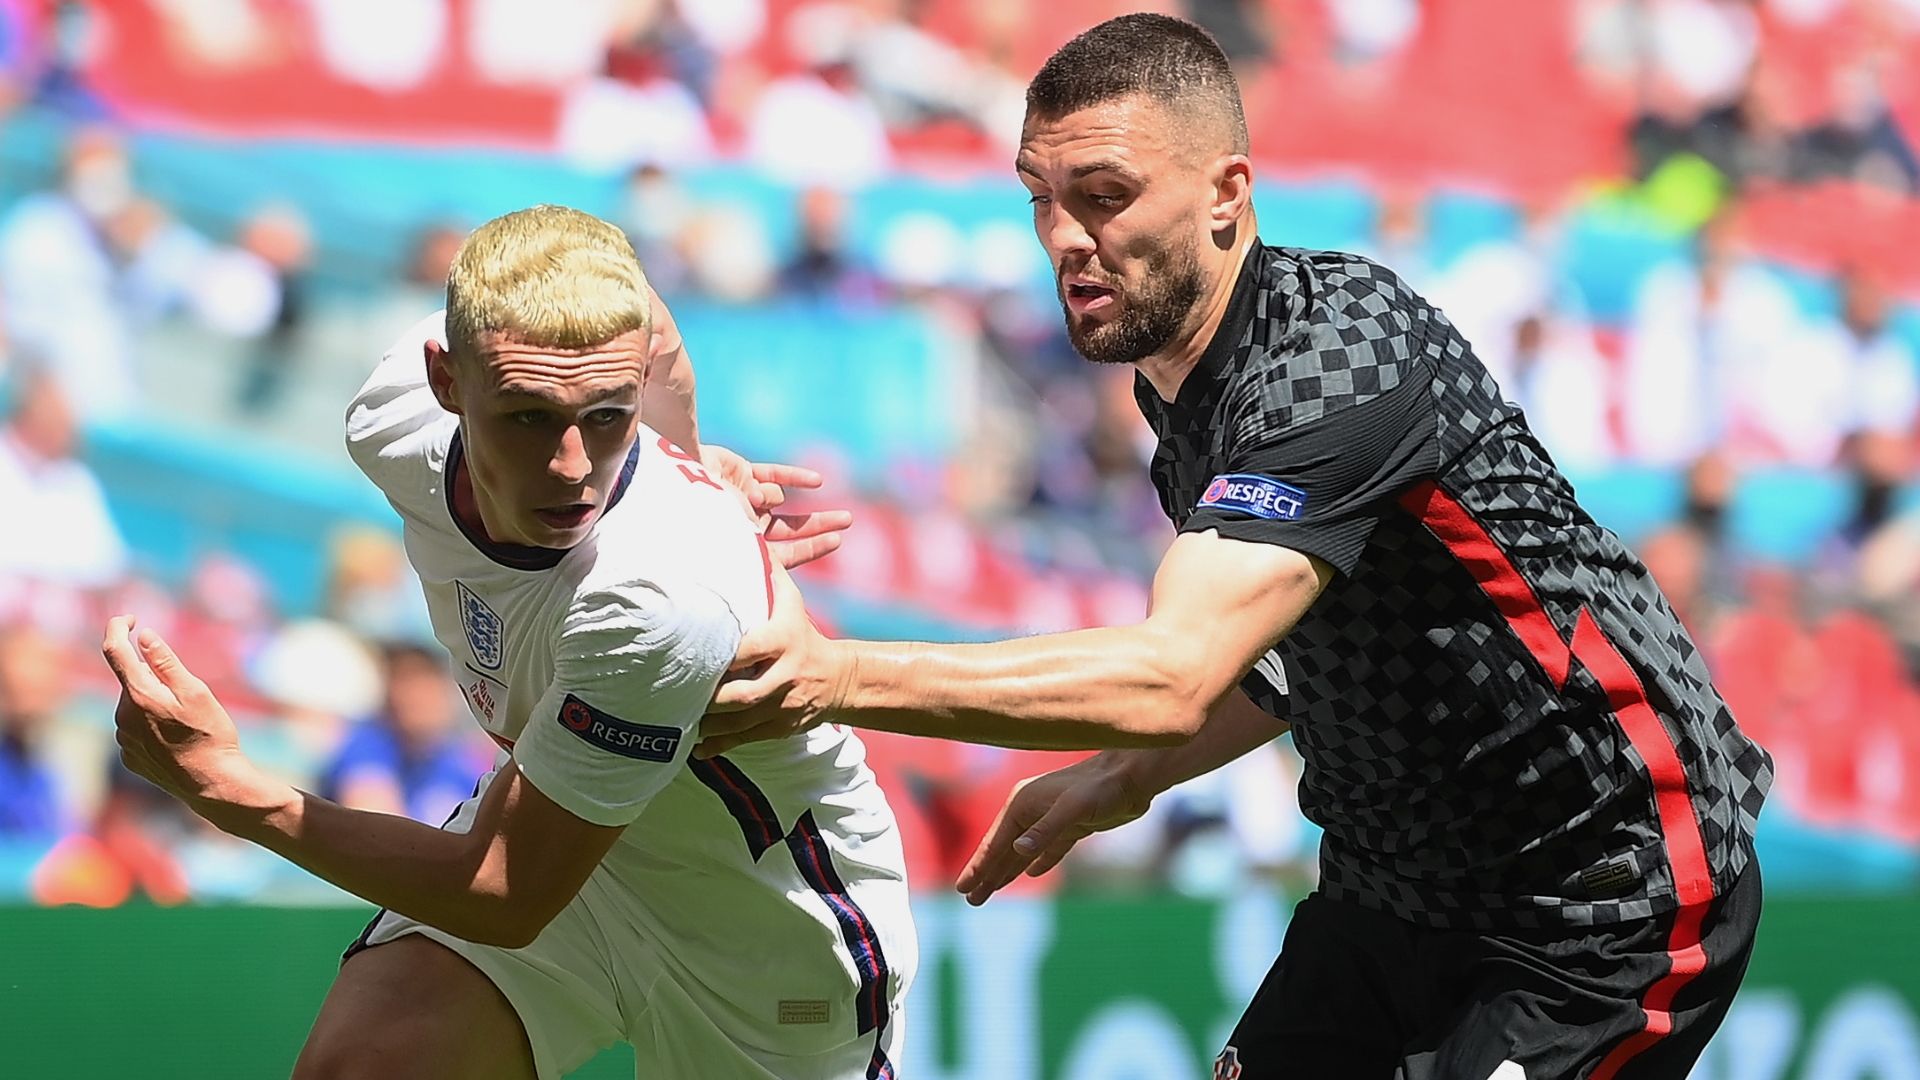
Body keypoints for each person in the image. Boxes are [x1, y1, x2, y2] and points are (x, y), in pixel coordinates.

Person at [704, 14, 1772, 1080]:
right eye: (1042, 197)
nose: (1065, 236)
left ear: (1227, 193)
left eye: (1105, 195)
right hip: (1392, 888)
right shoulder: (1179, 379)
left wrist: (833, 677)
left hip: (1603, 891)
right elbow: (1288, 653)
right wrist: (1132, 774)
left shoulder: (1342, 360)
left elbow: (1174, 674)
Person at [101, 205, 913, 1080]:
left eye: (607, 416)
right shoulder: (391, 415)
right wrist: (680, 448)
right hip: (568, 855)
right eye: (528, 417)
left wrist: (230, 789)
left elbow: (502, 894)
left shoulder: (658, 593)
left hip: (764, 930)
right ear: (444, 380)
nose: (572, 466)